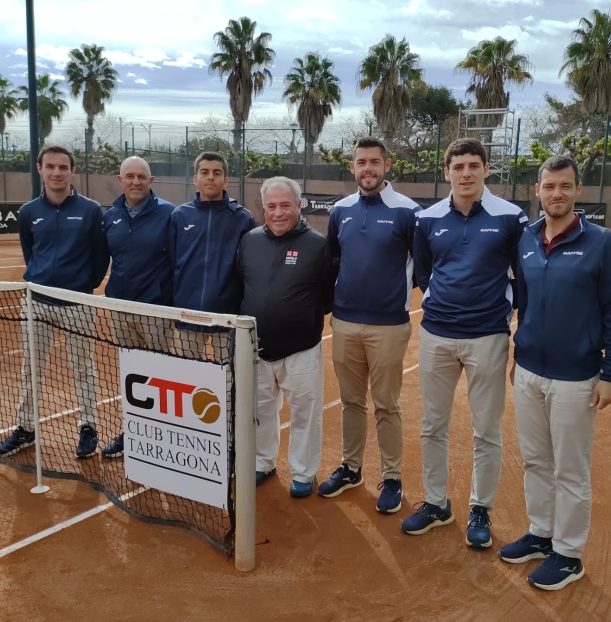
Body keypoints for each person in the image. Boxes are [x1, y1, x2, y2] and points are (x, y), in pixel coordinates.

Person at [498, 155, 611, 591]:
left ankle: (569, 554)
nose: (556, 194)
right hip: (530, 370)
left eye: (565, 186)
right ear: (537, 191)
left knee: (570, 469)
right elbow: (525, 302)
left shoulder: (603, 242)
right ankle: (541, 534)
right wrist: (520, 351)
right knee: (535, 460)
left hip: (577, 377)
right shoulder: (526, 238)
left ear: (578, 191)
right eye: (549, 186)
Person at [402, 138, 527, 547]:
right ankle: (436, 504)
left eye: (474, 165)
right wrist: (437, 300)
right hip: (437, 334)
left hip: (488, 337)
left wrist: (512, 320)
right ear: (447, 172)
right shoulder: (428, 219)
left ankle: (480, 509)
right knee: (432, 425)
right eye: (458, 167)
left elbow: (522, 278)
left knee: (486, 429)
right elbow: (423, 272)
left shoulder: (511, 217)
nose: (466, 173)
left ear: (487, 169)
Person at [317, 137, 421, 514]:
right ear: (353, 167)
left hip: (389, 327)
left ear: (387, 165)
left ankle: (392, 477)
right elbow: (332, 262)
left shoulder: (409, 212)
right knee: (351, 401)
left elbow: (422, 268)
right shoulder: (340, 211)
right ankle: (351, 468)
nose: (368, 169)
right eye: (361, 162)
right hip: (344, 323)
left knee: (387, 405)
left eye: (374, 162)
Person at [0, 143, 109, 459]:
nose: (57, 172)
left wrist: (83, 287)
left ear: (73, 171)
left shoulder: (90, 210)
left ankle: (89, 427)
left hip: (77, 304)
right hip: (36, 303)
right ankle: (26, 429)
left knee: (84, 368)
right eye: (50, 167)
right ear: (40, 170)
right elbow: (30, 252)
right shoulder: (29, 212)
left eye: (63, 167)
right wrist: (41, 280)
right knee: (31, 368)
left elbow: (100, 258)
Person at [238, 177, 334, 498]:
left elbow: (328, 296)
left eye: (285, 205)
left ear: (299, 205)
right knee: (260, 412)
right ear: (263, 208)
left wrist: (299, 319)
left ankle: (304, 472)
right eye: (271, 206)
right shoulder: (249, 241)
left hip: (301, 350)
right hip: (257, 349)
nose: (278, 213)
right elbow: (243, 286)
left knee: (305, 413)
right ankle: (263, 463)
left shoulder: (319, 245)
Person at [100, 156, 176, 458]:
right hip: (120, 308)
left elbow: (178, 261)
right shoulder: (111, 215)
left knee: (160, 373)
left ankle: (163, 431)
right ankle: (133, 429)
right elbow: (102, 258)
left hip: (156, 310)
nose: (135, 182)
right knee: (132, 373)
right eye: (129, 176)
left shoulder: (170, 214)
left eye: (141, 176)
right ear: (120, 180)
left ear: (151, 180)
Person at [168, 152, 255, 360]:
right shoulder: (180, 215)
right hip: (187, 314)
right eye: (204, 172)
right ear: (195, 179)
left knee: (228, 380)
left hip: (226, 317)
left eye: (217, 173)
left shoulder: (242, 218)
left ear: (225, 180)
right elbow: (173, 261)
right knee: (188, 379)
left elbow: (248, 266)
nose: (210, 177)